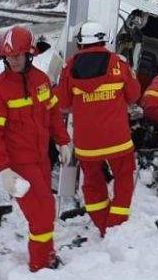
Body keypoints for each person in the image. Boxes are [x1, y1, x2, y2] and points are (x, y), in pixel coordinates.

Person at [0, 25, 70, 272]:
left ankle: (47, 253)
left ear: (29, 54)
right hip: (19, 168)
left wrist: (63, 141)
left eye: (18, 55)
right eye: (8, 56)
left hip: (42, 159)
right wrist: (4, 169)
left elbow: (52, 115)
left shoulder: (41, 81)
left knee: (48, 209)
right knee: (39, 216)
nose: (13, 60)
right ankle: (40, 264)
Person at [57, 21, 141, 237]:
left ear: (81, 43)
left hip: (87, 144)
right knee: (123, 177)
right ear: (105, 39)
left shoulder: (69, 67)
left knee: (92, 184)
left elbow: (63, 102)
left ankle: (103, 225)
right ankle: (116, 224)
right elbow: (134, 95)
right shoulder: (118, 63)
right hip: (118, 140)